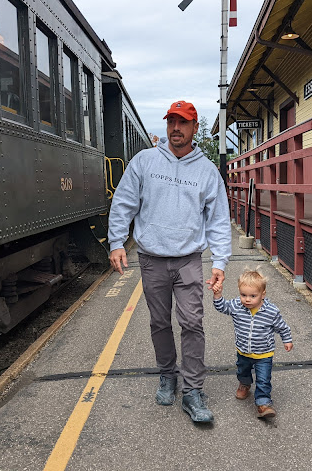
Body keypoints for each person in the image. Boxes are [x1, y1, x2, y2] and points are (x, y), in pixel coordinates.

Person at [108, 100, 231, 423]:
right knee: (159, 322)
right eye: (171, 121)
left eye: (183, 122)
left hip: (189, 259)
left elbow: (218, 219)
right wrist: (117, 242)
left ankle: (192, 390)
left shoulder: (206, 171)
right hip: (152, 259)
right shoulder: (145, 161)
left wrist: (220, 262)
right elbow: (124, 202)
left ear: (195, 128)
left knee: (192, 323)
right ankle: (167, 374)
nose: (176, 128)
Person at [212, 268, 293, 418]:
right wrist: (218, 295)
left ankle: (263, 403)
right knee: (243, 370)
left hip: (264, 353)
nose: (247, 299)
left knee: (263, 378)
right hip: (243, 350)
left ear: (263, 294)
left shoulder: (271, 311)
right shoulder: (237, 305)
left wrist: (287, 339)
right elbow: (223, 307)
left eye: (252, 296)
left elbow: (282, 327)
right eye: (243, 295)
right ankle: (244, 384)